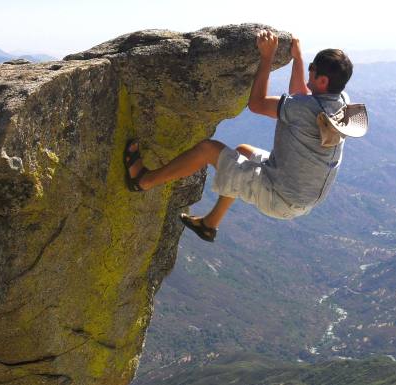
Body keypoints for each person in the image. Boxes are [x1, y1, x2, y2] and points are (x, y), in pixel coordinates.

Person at [124, 30, 358, 242]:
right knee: (244, 151)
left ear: (323, 81)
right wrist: (298, 59)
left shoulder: (304, 110)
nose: (310, 71)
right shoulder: (341, 103)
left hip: (277, 197)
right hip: (303, 198)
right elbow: (301, 96)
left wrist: (266, 58)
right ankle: (209, 224)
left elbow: (257, 104)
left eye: (312, 69)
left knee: (208, 149)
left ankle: (143, 180)